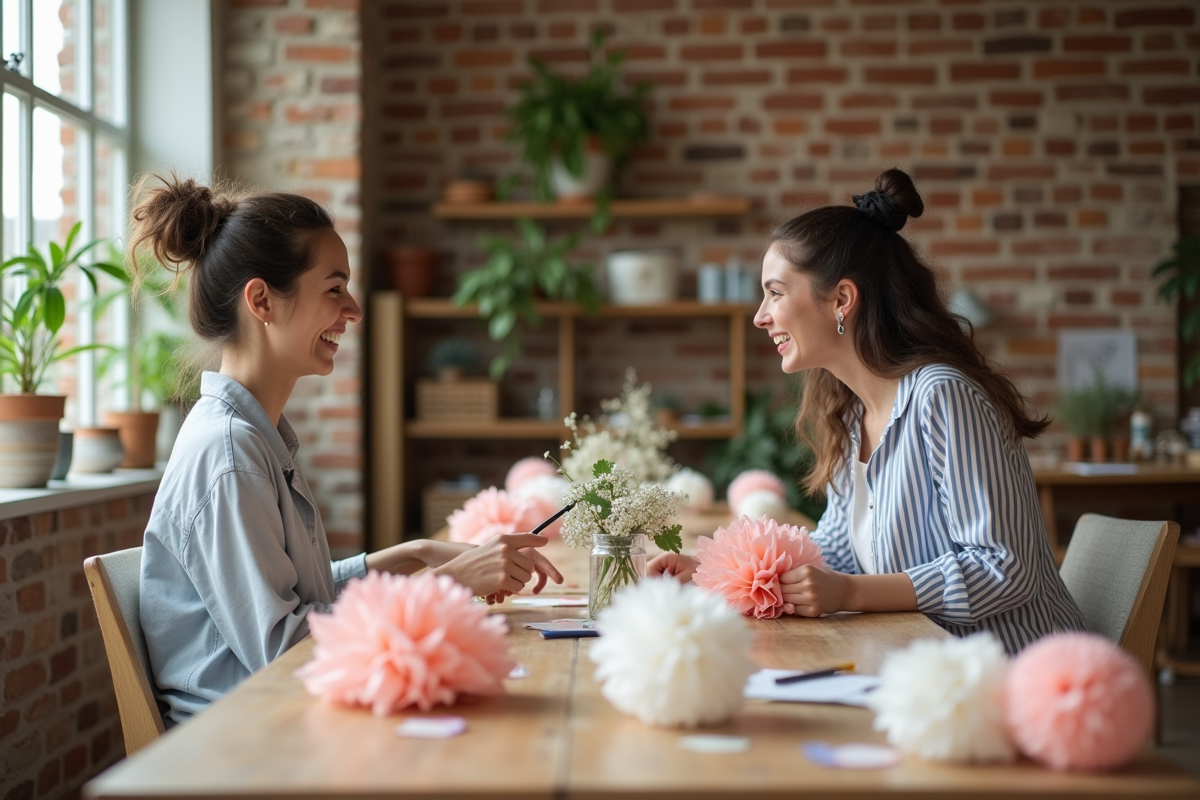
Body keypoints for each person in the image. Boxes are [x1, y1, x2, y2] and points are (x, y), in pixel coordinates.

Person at [132, 177, 562, 725]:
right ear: (261, 300)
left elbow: (300, 599)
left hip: (286, 716)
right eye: (334, 289)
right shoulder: (229, 454)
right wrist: (453, 581)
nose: (354, 309)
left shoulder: (256, 434)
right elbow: (284, 651)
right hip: (249, 741)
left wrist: (419, 555)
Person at [651, 168, 1086, 653]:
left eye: (775, 292)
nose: (760, 315)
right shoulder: (851, 415)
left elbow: (1003, 569)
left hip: (1010, 677)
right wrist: (717, 575)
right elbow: (833, 554)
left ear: (841, 299)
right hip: (920, 668)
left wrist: (852, 592)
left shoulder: (941, 396)